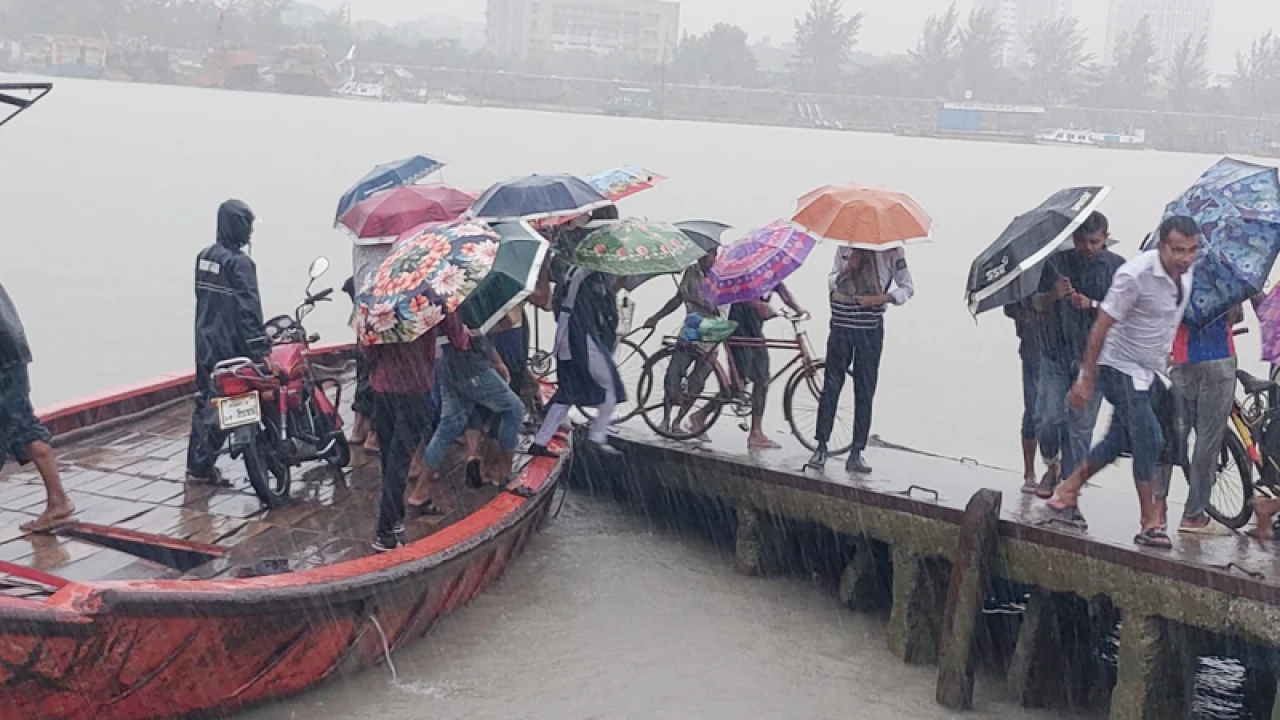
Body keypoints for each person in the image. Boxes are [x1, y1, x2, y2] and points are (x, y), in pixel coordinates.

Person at [1046, 216, 1200, 549]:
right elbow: (1102, 324)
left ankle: (1068, 488)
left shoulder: (1186, 276)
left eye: (1191, 250)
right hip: (1117, 366)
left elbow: (1165, 321)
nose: (1184, 258)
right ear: (1161, 246)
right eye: (1177, 250)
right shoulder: (1134, 275)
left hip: (1152, 370)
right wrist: (1086, 379)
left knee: (1118, 439)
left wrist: (1167, 353)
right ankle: (1150, 523)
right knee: (1149, 437)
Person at [1030, 212, 1124, 497]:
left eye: (1095, 242)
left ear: (1105, 238)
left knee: (1081, 427)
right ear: (1074, 239)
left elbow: (1125, 313)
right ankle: (1052, 464)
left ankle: (1068, 492)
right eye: (1083, 242)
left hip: (1094, 358)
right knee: (1047, 419)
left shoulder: (1119, 268)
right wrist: (1053, 295)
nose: (1088, 248)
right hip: (1055, 352)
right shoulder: (1057, 263)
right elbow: (1035, 305)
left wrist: (1091, 303)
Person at [808, 247, 913, 473]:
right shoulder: (844, 249)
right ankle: (821, 446)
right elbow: (830, 281)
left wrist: (882, 298)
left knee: (864, 390)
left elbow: (907, 288)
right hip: (840, 326)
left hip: (869, 329)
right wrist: (848, 268)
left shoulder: (893, 252)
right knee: (831, 386)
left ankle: (856, 452)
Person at [187, 199, 268, 486]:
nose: (250, 233)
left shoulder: (204, 257)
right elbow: (249, 310)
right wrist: (260, 350)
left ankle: (198, 466)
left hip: (205, 340)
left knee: (205, 401)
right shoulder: (241, 264)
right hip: (233, 346)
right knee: (232, 401)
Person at [366, 316, 464, 552]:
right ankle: (384, 532)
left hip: (382, 387)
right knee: (400, 462)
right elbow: (459, 338)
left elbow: (367, 350)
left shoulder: (379, 304)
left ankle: (395, 519)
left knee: (389, 459)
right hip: (415, 388)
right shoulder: (428, 299)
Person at [408, 316, 524, 507]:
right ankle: (505, 476)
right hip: (471, 366)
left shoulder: (436, 306)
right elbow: (478, 332)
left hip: (447, 364)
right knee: (514, 409)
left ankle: (420, 491)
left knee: (448, 426)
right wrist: (495, 359)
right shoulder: (460, 301)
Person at [1154, 305, 1243, 534]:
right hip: (1218, 357)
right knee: (1208, 440)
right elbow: (1234, 316)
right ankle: (1193, 515)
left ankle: (1157, 509)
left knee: (1172, 435)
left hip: (1181, 359)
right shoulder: (1225, 274)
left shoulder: (1177, 271)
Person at [0, 281, 74, 532]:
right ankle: (58, 500)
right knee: (24, 426)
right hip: (11, 352)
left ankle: (59, 500)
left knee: (22, 427)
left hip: (4, 358)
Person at [529, 266, 625, 457]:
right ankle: (596, 437)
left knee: (567, 392)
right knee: (611, 386)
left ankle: (540, 442)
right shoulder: (592, 278)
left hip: (566, 336)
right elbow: (605, 315)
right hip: (581, 338)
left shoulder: (573, 272)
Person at [644, 246, 720, 434]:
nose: (703, 259)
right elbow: (678, 299)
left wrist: (702, 303)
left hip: (713, 335)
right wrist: (656, 317)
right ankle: (666, 419)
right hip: (690, 331)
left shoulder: (722, 277)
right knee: (673, 375)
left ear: (715, 255)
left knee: (697, 383)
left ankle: (678, 421)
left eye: (707, 255)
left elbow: (720, 309)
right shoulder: (692, 271)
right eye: (701, 255)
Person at [731, 282, 806, 450]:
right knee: (743, 381)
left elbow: (783, 292)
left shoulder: (767, 273)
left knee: (761, 379)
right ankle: (755, 433)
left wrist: (798, 309)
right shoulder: (746, 273)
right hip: (740, 326)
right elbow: (736, 293)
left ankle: (756, 432)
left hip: (754, 329)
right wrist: (759, 305)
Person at [350, 241, 395, 453]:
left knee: (365, 370)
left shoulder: (360, 240)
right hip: (385, 313)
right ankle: (375, 433)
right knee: (383, 375)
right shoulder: (394, 241)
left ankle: (359, 427)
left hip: (363, 313)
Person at [1005, 298, 1045, 491]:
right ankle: (1029, 472)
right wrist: (1029, 313)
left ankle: (1059, 469)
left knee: (1060, 412)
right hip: (1032, 348)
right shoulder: (1024, 276)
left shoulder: (1066, 273)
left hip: (1063, 350)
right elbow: (1010, 309)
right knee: (1032, 410)